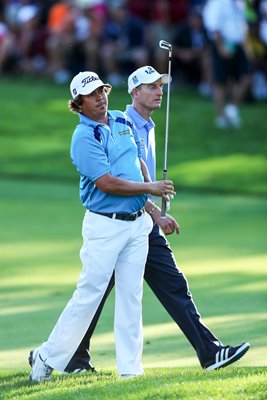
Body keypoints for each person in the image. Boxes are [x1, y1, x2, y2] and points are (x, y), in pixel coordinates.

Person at [62, 66, 250, 374]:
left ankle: (210, 352)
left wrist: (155, 214)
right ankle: (60, 353)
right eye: (150, 86)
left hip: (140, 220)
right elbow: (118, 179)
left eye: (160, 85)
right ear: (134, 92)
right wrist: (152, 203)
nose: (159, 91)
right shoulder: (121, 123)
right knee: (94, 296)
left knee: (170, 285)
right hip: (118, 221)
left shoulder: (145, 126)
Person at [28, 70, 176, 382]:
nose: (100, 98)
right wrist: (151, 189)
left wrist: (153, 211)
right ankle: (47, 355)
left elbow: (137, 164)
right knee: (89, 294)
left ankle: (130, 371)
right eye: (91, 95)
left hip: (136, 225)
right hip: (104, 226)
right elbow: (107, 183)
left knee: (131, 296)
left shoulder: (122, 121)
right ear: (78, 104)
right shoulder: (83, 137)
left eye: (101, 91)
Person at [203, 0, 251, 128]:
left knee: (245, 78)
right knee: (221, 82)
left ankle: (232, 109)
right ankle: (220, 116)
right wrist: (221, 47)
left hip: (239, 45)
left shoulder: (240, 2)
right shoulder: (218, 2)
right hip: (223, 43)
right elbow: (213, 24)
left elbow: (243, 24)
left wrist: (246, 46)